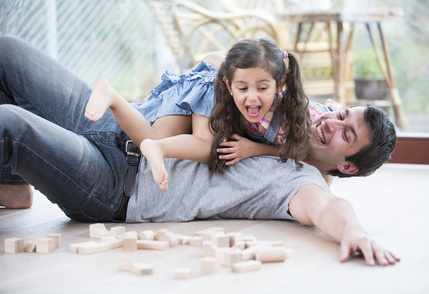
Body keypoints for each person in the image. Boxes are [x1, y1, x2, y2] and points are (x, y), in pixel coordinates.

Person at [0, 36, 398, 266]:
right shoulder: (290, 110)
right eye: (342, 114)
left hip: (113, 186)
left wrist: (355, 233)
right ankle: (11, 182)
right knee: (8, 53)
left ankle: (12, 170)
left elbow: (329, 210)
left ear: (346, 167)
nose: (332, 123)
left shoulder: (301, 182)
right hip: (118, 120)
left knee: (9, 125)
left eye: (347, 135)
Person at [85, 38, 311, 191]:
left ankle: (113, 97)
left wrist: (254, 149)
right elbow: (215, 64)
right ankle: (154, 144)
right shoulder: (219, 87)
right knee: (204, 146)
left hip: (202, 87)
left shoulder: (288, 113)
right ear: (230, 85)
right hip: (204, 85)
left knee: (153, 135)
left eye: (262, 88)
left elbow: (300, 148)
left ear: (280, 85)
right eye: (243, 89)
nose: (252, 97)